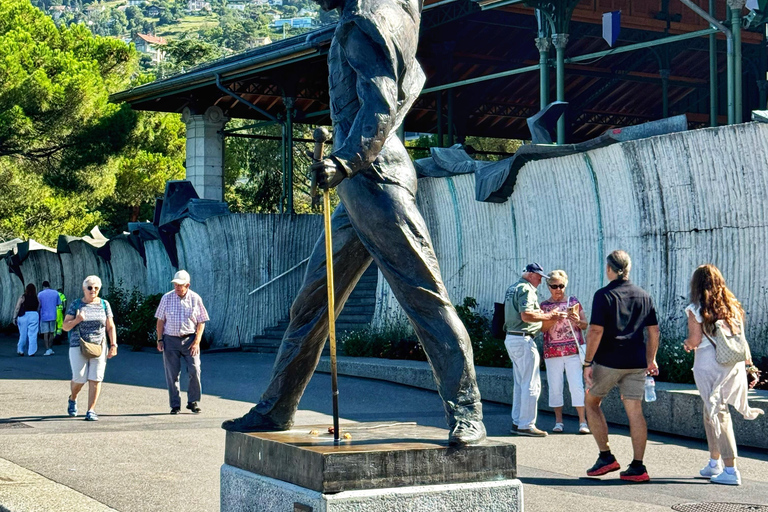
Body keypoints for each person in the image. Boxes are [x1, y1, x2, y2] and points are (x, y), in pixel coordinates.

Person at [221, 0, 487, 446]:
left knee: (426, 298)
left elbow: (380, 104)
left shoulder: (363, 28)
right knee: (311, 306)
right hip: (357, 188)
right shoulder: (361, 26)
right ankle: (278, 407)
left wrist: (343, 161)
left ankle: (468, 411)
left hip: (376, 180)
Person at [683, 264, 764, 486]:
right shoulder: (732, 307)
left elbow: (695, 340)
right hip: (732, 365)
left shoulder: (696, 308)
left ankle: (730, 469)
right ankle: (714, 463)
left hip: (710, 366)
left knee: (718, 413)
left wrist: (687, 345)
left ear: (697, 284)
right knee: (709, 411)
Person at [582, 250, 659, 482]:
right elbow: (654, 331)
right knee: (635, 411)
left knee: (592, 402)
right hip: (636, 362)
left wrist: (587, 362)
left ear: (609, 269)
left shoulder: (603, 295)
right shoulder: (643, 295)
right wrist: (650, 358)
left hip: (609, 360)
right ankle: (638, 467)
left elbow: (595, 331)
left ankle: (606, 457)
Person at [504, 263, 566, 437]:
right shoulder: (526, 289)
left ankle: (518, 422)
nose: (540, 280)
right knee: (531, 384)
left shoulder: (513, 287)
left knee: (520, 383)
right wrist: (549, 316)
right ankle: (526, 425)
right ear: (530, 274)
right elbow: (526, 315)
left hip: (512, 337)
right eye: (539, 276)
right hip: (523, 338)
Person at [540, 270, 589, 434]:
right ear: (548, 287)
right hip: (552, 352)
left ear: (565, 285)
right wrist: (553, 318)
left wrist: (577, 321)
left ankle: (583, 421)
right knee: (555, 387)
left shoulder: (573, 302)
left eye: (561, 286)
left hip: (572, 351)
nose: (558, 289)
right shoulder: (544, 306)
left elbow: (585, 324)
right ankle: (558, 421)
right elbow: (542, 329)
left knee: (577, 386)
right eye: (554, 286)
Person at [62, 276, 117, 421]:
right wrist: (77, 320)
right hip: (78, 345)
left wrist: (113, 344)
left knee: (96, 378)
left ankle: (91, 410)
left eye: (96, 288)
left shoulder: (104, 304)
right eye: (90, 288)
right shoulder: (76, 304)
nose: (93, 290)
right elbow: (65, 326)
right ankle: (73, 398)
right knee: (79, 378)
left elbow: (110, 326)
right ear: (83, 288)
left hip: (99, 346)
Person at [155, 270, 209, 415]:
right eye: (175, 285)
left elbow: (201, 321)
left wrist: (197, 341)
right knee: (172, 374)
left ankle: (193, 401)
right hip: (170, 339)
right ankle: (175, 404)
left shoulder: (195, 298)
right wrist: (160, 339)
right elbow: (160, 320)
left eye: (180, 285)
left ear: (187, 285)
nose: (177, 288)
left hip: (190, 339)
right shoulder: (167, 298)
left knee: (195, 369)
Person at [13, 284, 40, 357]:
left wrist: (14, 317)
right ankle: (31, 351)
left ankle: (20, 350)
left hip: (24, 315)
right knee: (33, 334)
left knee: (23, 334)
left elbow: (17, 307)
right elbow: (39, 306)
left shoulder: (23, 297)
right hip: (34, 314)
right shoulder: (36, 297)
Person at [37, 281, 62, 356]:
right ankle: (50, 348)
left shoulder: (40, 294)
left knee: (45, 333)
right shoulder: (55, 293)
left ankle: (47, 348)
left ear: (43, 286)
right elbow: (58, 303)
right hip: (53, 315)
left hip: (44, 315)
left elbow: (39, 305)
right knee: (52, 332)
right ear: (49, 285)